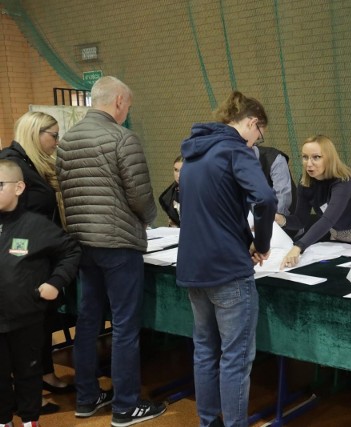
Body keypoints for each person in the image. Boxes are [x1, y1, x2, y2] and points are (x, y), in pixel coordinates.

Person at [56, 76, 166, 426]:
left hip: (81, 241)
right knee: (124, 325)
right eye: (128, 106)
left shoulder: (66, 140)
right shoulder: (122, 138)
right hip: (118, 243)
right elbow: (139, 194)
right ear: (119, 101)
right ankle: (126, 406)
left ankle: (87, 398)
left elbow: (65, 191)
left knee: (88, 320)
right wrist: (150, 218)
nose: (127, 112)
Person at [176, 91, 277, 427]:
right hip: (227, 269)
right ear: (252, 123)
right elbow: (264, 198)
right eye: (258, 135)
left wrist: (247, 237)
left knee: (205, 350)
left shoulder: (193, 151)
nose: (255, 143)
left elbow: (214, 212)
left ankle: (209, 422)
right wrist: (261, 243)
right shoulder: (234, 148)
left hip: (193, 266)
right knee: (235, 358)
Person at [0, 111, 72, 414]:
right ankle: (25, 395)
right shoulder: (11, 161)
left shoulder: (33, 161)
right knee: (21, 333)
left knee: (41, 324)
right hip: (21, 258)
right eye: (52, 135)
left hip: (40, 253)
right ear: (35, 132)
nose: (56, 142)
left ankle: (44, 374)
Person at [278, 135, 351, 269]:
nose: (309, 163)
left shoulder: (343, 180)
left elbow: (328, 220)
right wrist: (281, 220)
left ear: (329, 158)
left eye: (316, 157)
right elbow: (300, 220)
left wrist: (298, 247)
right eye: (305, 157)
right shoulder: (305, 183)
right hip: (341, 236)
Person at [158, 155, 183, 227]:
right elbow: (172, 223)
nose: (178, 175)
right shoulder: (169, 195)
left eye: (183, 170)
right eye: (176, 170)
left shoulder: (199, 193)